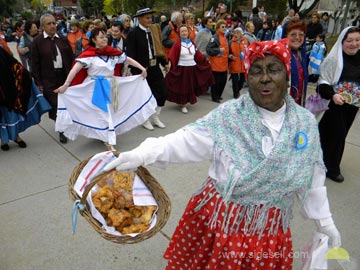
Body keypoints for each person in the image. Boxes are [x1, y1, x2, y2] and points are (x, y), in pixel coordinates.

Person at [104, 39, 341, 269]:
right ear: (247, 77)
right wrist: (143, 153)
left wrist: (325, 222)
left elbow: (313, 178)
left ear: (287, 76)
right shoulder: (229, 116)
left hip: (267, 231)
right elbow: (186, 140)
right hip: (219, 222)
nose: (265, 77)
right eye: (256, 71)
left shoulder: (304, 123)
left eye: (274, 69)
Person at [53, 28, 156, 150]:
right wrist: (66, 85)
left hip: (111, 86)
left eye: (105, 36)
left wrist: (142, 68)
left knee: (109, 112)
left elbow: (127, 59)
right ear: (93, 40)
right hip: (94, 88)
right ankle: (109, 140)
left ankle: (104, 135)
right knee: (103, 113)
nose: (104, 39)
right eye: (101, 37)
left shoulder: (112, 53)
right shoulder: (89, 55)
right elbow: (75, 70)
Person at [318, 26, 360, 183]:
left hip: (353, 105)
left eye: (357, 40)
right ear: (342, 41)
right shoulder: (334, 59)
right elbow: (322, 84)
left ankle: (323, 162)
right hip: (334, 104)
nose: (354, 44)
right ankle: (332, 168)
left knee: (338, 135)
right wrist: (333, 95)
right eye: (350, 41)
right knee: (337, 135)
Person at [31, 13, 74, 143]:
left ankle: (65, 124)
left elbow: (71, 57)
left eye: (54, 23)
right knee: (56, 104)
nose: (52, 26)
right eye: (49, 24)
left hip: (63, 76)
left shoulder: (62, 38)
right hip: (48, 78)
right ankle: (61, 130)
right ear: (43, 26)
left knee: (65, 102)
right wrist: (38, 82)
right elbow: (35, 64)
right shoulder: (37, 42)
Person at [126, 7, 170, 131]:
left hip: (155, 66)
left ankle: (155, 117)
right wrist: (136, 71)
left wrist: (164, 63)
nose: (150, 20)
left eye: (151, 17)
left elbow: (158, 48)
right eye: (147, 18)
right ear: (139, 19)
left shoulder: (154, 30)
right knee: (144, 96)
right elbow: (131, 54)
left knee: (162, 92)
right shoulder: (133, 34)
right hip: (141, 69)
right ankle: (145, 120)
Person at [0, 47, 51, 151]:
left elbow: (12, 63)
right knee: (1, 117)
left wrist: (23, 72)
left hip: (7, 89)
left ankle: (16, 137)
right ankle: (3, 140)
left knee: (11, 115)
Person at [165, 25, 214, 114]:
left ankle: (184, 102)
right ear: (179, 34)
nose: (184, 33)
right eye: (182, 31)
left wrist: (205, 61)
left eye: (185, 31)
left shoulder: (192, 43)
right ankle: (183, 104)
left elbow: (197, 54)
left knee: (189, 86)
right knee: (183, 87)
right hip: (182, 68)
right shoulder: (177, 43)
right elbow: (172, 55)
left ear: (188, 33)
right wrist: (169, 64)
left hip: (192, 68)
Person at [285, 20, 309, 106]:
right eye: (293, 34)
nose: (298, 38)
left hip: (297, 103)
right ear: (285, 36)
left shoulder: (301, 55)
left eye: (301, 34)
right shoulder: (279, 56)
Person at [206, 20, 229, 103]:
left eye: (225, 27)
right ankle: (214, 97)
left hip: (224, 64)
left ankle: (218, 95)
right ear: (218, 28)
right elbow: (208, 49)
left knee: (223, 81)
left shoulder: (225, 37)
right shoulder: (215, 37)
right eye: (222, 27)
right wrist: (218, 50)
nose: (224, 28)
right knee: (216, 82)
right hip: (216, 64)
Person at [228, 27, 248, 99]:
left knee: (242, 81)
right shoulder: (230, 42)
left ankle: (238, 90)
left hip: (243, 64)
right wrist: (230, 56)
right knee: (235, 81)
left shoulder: (245, 41)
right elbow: (228, 52)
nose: (236, 34)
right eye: (235, 33)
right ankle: (236, 94)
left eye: (238, 33)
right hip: (234, 63)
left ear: (241, 34)